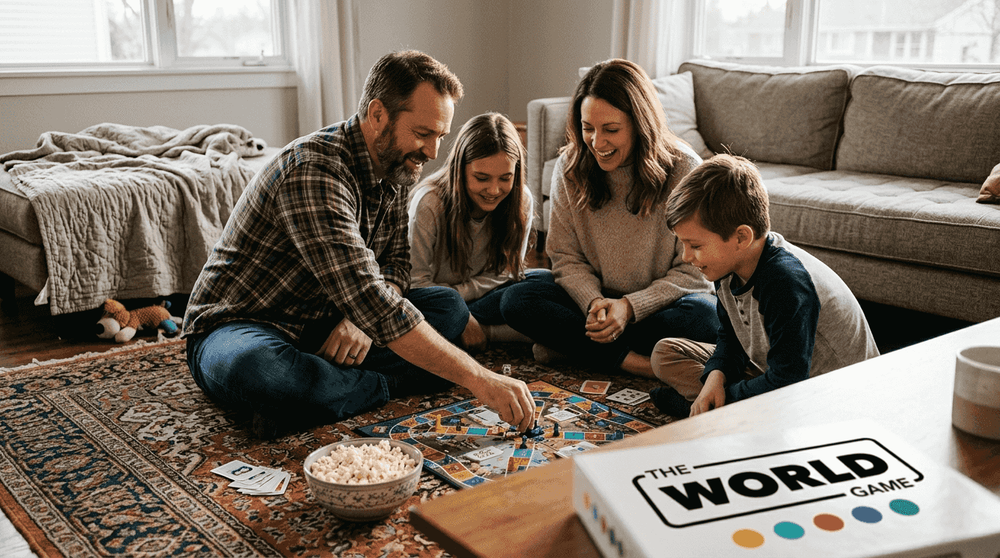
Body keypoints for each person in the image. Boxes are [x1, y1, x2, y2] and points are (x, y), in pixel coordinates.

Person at [182, 50, 535, 438]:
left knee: (448, 307)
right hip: (242, 325)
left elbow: (397, 270)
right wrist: (479, 380)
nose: (433, 153)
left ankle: (317, 395)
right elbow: (372, 297)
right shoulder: (314, 172)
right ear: (378, 114)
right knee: (262, 372)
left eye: (440, 137)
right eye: (422, 134)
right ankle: (374, 385)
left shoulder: (398, 167)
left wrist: (357, 321)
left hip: (329, 321)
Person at [500, 58, 720, 378]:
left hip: (656, 307)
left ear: (640, 124)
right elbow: (564, 257)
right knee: (517, 297)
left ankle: (571, 347)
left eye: (611, 130)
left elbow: (695, 273)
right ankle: (635, 362)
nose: (597, 143)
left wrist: (629, 308)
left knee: (706, 318)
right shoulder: (569, 168)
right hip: (595, 304)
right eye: (588, 128)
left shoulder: (685, 169)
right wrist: (595, 304)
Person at [650, 154, 880, 417]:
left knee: (776, 399)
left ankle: (713, 411)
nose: (686, 256)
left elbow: (789, 380)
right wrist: (716, 376)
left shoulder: (785, 282)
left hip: (827, 393)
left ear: (741, 237)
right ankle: (719, 409)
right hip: (772, 370)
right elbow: (731, 335)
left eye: (696, 246)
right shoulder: (726, 265)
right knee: (665, 354)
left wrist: (728, 393)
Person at [408, 112, 551, 352]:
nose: (494, 190)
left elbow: (509, 272)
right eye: (482, 178)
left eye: (505, 178)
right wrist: (459, 310)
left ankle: (483, 332)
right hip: (439, 304)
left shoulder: (520, 199)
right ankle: (521, 336)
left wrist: (466, 304)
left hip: (485, 297)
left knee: (546, 281)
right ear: (460, 170)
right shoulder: (429, 203)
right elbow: (415, 285)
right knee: (425, 315)